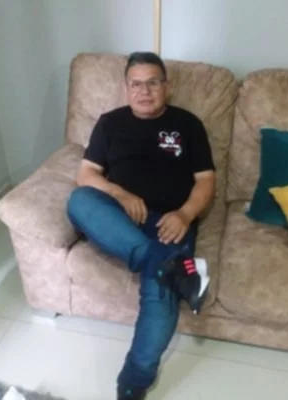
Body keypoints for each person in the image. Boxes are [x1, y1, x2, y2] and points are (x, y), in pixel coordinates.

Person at [67, 51, 216, 400]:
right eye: (136, 84)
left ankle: (134, 382)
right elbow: (86, 174)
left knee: (158, 295)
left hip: (170, 222)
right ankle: (169, 265)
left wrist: (185, 214)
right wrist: (119, 193)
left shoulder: (188, 124)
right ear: (126, 88)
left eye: (152, 83)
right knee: (79, 200)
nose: (144, 91)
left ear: (167, 86)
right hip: (120, 217)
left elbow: (206, 180)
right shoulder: (110, 123)